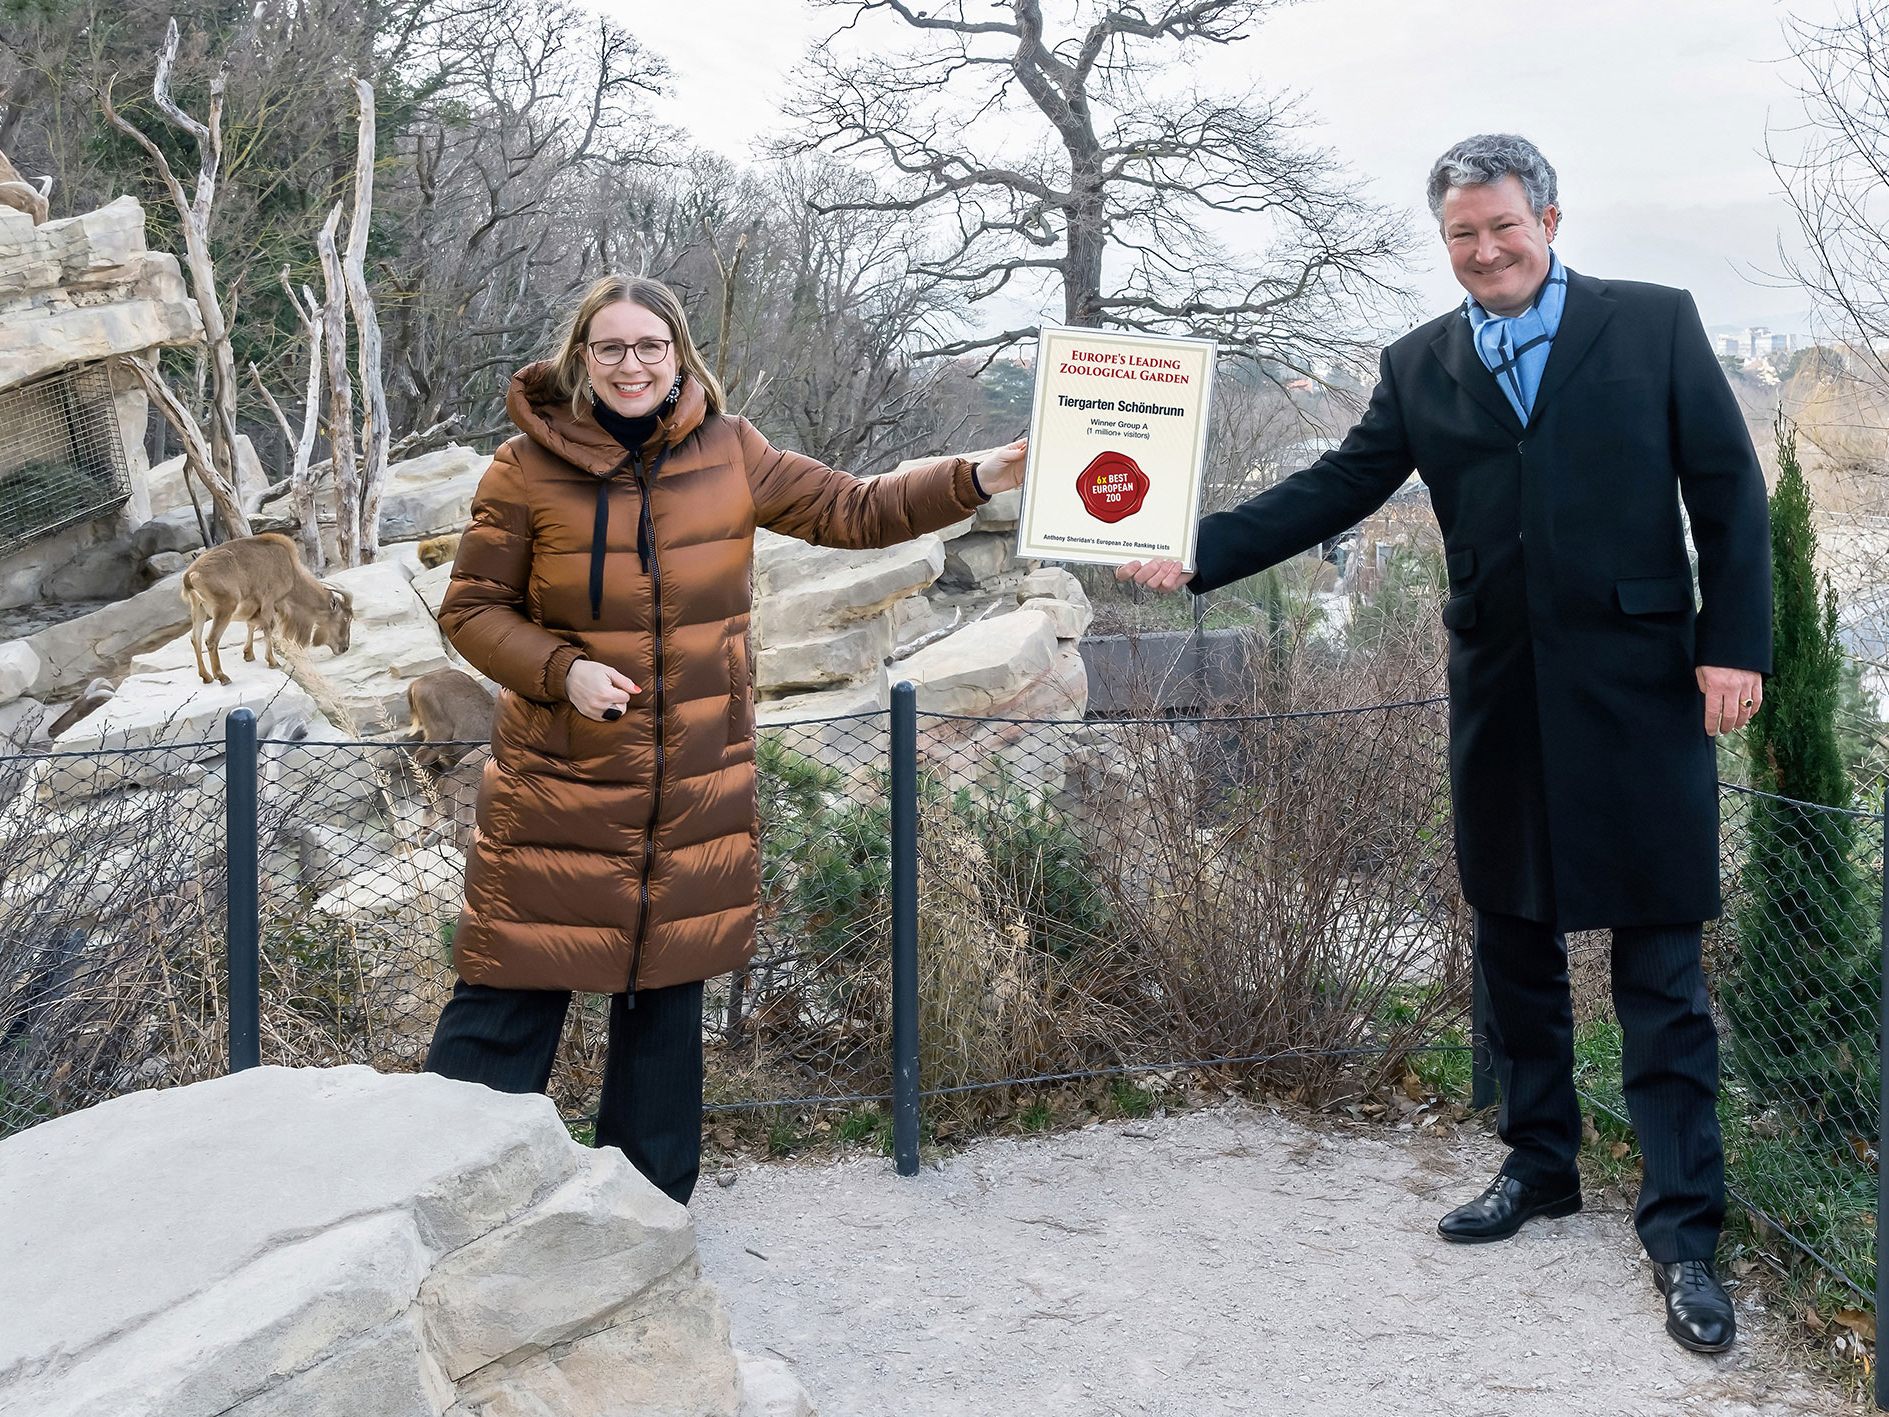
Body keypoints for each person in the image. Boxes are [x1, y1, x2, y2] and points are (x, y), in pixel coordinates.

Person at [1118, 134, 1771, 1354]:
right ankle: (1540, 1166)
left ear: (1551, 219)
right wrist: (1198, 548)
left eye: (1501, 228)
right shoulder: (1417, 363)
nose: (1483, 252)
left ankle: (1682, 1231)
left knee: (1658, 977)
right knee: (1513, 948)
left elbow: (1728, 494)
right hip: (1498, 693)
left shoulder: (1653, 325)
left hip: (1639, 692)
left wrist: (1731, 646)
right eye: (1460, 236)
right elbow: (1333, 487)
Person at [425, 274, 1026, 1205]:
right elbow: (469, 610)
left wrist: (977, 476)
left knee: (665, 1018)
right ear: (580, 357)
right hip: (561, 786)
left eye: (649, 347)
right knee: (507, 998)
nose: (632, 365)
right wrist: (562, 670)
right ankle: (439, 1207)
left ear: (680, 355)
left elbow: (855, 510)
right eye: (611, 348)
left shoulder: (731, 450)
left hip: (693, 787)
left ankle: (646, 1229)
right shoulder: (522, 467)